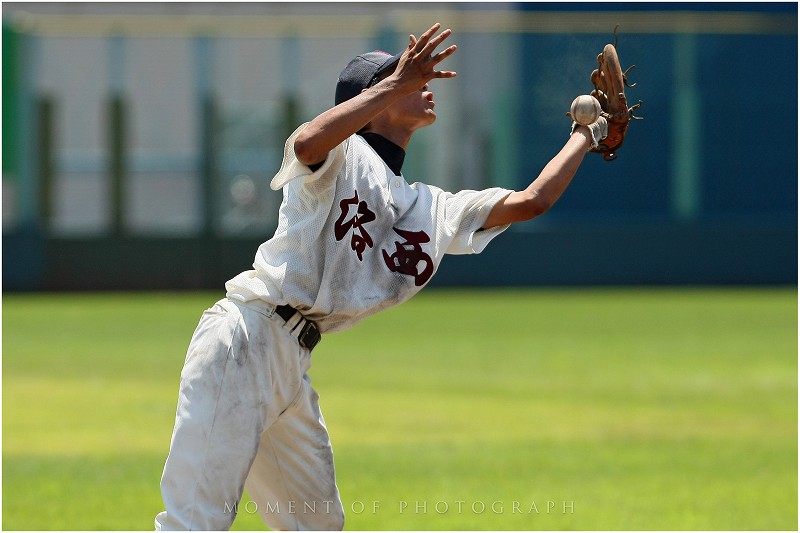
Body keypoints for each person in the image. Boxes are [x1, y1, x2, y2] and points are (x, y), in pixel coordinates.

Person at [155, 23, 607, 531]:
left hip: (291, 361)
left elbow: (532, 201)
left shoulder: (426, 205)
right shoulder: (340, 156)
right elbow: (306, 142)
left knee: (318, 527)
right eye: (408, 76)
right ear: (375, 96)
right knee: (193, 521)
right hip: (245, 337)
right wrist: (393, 84)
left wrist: (585, 136)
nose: (424, 82)